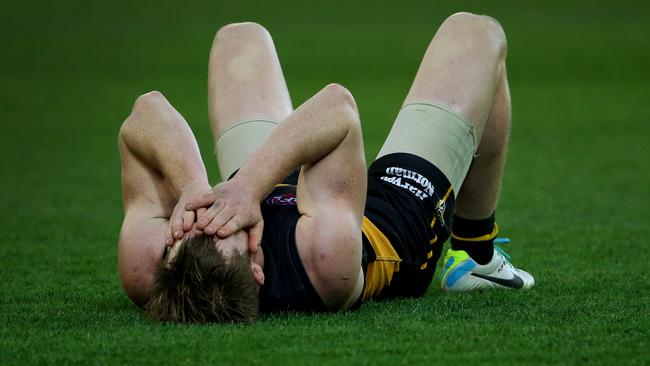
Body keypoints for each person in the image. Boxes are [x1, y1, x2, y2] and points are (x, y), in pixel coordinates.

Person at [117, 12, 534, 323]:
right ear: (257, 270)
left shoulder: (147, 269)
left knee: (239, 39)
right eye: (224, 231)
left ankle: (248, 190)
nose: (208, 220)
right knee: (477, 33)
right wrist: (245, 191)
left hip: (271, 193)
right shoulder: (323, 261)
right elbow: (338, 109)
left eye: (191, 231)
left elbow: (144, 114)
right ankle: (476, 258)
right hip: (381, 224)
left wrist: (191, 187)